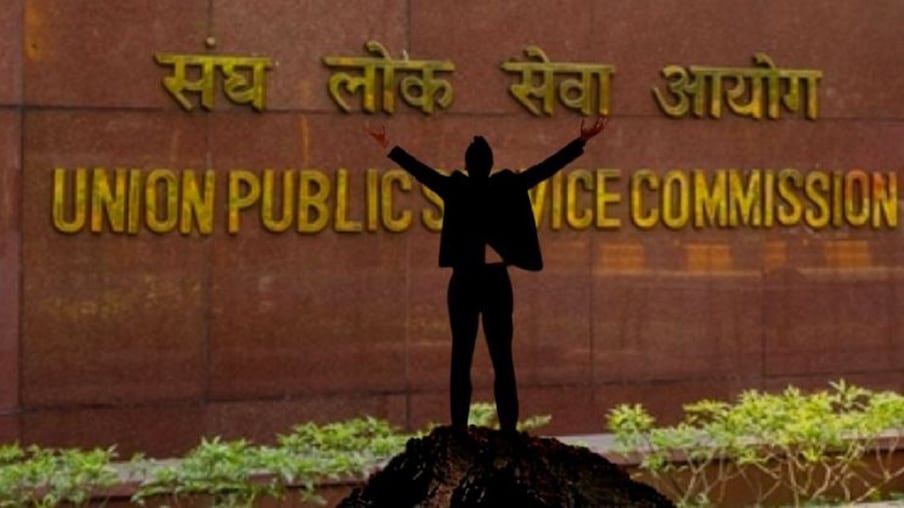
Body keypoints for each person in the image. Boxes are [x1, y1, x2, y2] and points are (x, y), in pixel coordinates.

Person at [367, 118, 608, 432]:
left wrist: (388, 146)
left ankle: (460, 429)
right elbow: (545, 168)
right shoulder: (506, 186)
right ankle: (508, 430)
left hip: (465, 281)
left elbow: (420, 171)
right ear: (491, 164)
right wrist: (581, 141)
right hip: (494, 281)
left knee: (462, 357)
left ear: (467, 165)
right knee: (502, 359)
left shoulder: (456, 187)